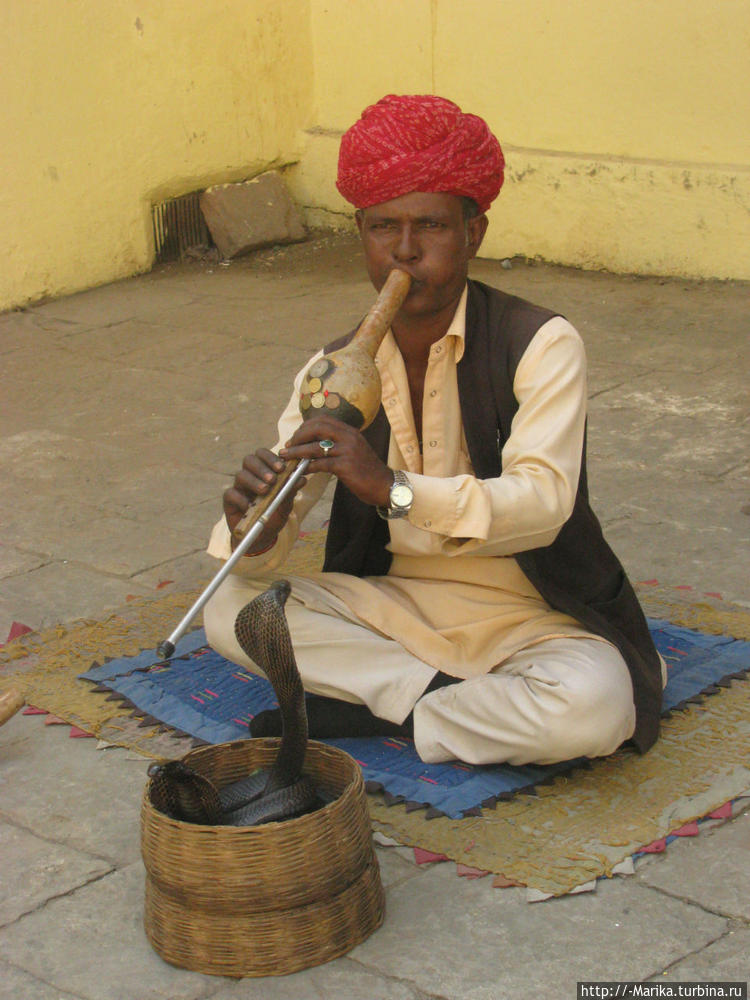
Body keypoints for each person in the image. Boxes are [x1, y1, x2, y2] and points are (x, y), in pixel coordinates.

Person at [203, 94, 664, 767]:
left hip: (533, 614)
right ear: (360, 233)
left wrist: (390, 488)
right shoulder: (331, 372)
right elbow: (268, 540)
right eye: (383, 227)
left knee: (595, 708)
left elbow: (543, 505)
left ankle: (378, 708)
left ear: (473, 234)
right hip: (395, 606)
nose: (405, 252)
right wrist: (258, 527)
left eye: (430, 227)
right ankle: (443, 705)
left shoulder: (540, 343)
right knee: (229, 610)